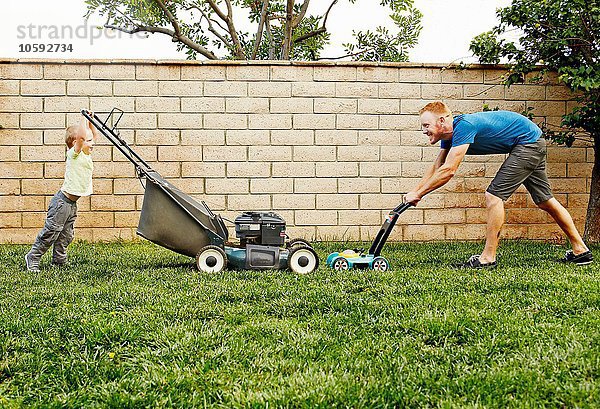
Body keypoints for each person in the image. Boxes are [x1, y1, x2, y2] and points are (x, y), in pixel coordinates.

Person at [404, 101, 593, 268]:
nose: (424, 130)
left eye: (426, 125)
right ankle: (580, 250)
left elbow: (449, 170)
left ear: (443, 121)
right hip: (531, 141)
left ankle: (488, 257)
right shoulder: (449, 137)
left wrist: (420, 194)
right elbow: (438, 166)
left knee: (493, 196)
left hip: (528, 143)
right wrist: (415, 191)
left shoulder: (464, 127)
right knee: (545, 200)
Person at [25, 112, 98, 272]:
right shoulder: (74, 154)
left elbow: (90, 136)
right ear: (75, 143)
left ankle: (59, 260)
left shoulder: (86, 154)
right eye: (89, 140)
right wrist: (84, 119)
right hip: (61, 203)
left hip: (71, 204)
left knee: (66, 235)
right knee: (51, 232)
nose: (93, 143)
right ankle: (33, 256)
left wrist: (91, 122)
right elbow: (81, 137)